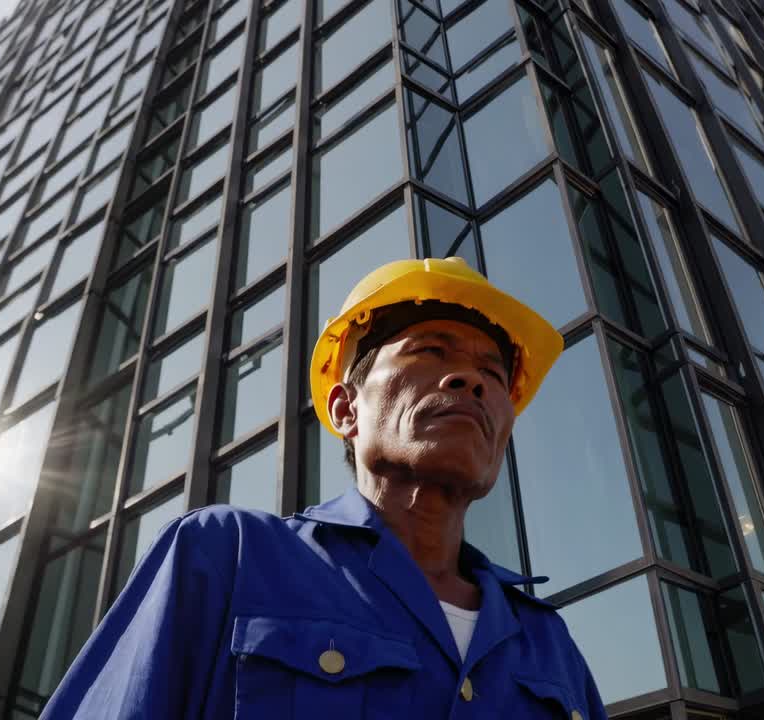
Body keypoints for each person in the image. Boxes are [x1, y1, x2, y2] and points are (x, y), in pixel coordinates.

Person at [41, 257, 607, 719]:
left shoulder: (549, 644)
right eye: (429, 351)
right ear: (345, 408)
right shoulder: (226, 556)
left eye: (494, 373)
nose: (471, 381)